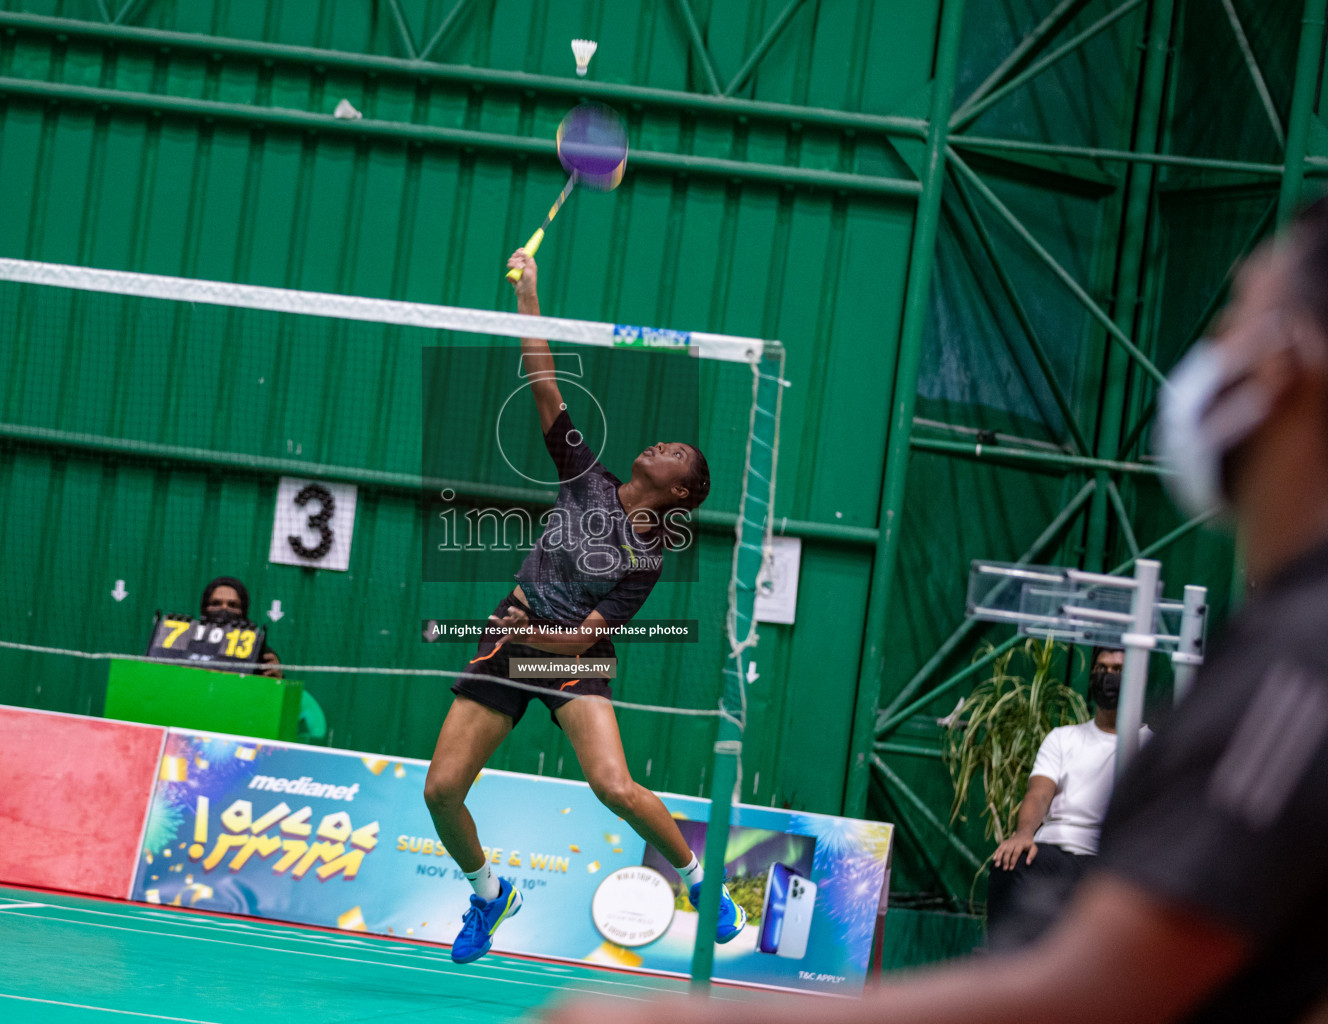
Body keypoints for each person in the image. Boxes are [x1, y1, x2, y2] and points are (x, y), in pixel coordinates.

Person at [543, 195, 1328, 1024]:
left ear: (1292, 363)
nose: (1211, 355)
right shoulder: (1284, 634)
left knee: (614, 784)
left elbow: (1105, 992)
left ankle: (697, 884)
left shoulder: (1304, 660)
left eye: (1238, 317)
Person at [422, 249, 745, 966]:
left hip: (564, 656)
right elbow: (542, 376)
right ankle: (488, 894)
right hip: (508, 642)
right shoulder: (584, 476)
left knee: (614, 786)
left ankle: (700, 883)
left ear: (682, 492)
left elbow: (580, 642)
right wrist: (529, 294)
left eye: (677, 454)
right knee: (441, 789)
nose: (662, 445)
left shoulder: (649, 560)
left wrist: (533, 630)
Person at [986, 647, 1149, 949]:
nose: (1108, 678)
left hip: (1109, 862)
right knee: (1009, 862)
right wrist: (1023, 834)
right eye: (1102, 669)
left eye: (1118, 670)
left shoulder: (1151, 746)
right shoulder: (1063, 737)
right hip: (1054, 852)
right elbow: (1039, 793)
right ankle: (1001, 966)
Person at [199, 576, 283, 680]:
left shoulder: (260, 652)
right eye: (216, 603)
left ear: (243, 610)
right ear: (205, 608)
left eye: (232, 605)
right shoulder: (183, 640)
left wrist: (277, 679)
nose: (224, 609)